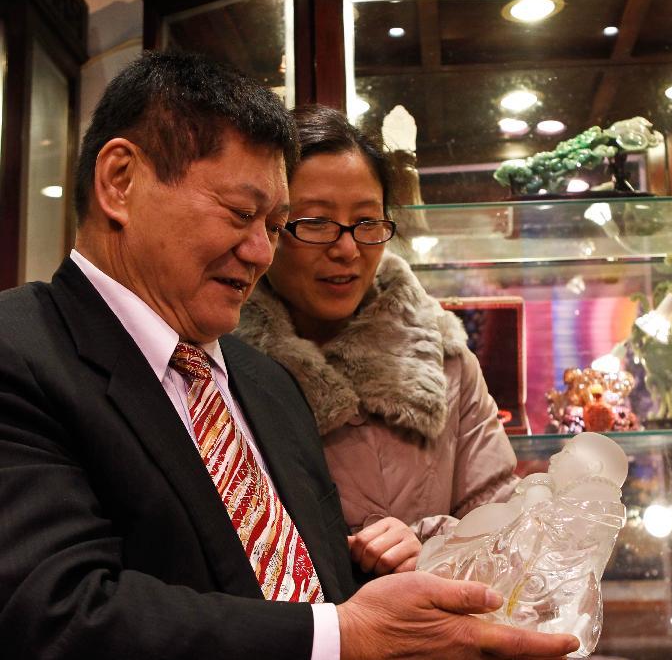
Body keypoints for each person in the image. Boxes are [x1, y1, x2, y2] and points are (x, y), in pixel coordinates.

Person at [0, 51, 578, 660]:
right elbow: (52, 613)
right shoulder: (22, 353)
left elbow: (316, 585)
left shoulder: (266, 383)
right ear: (121, 181)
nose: (259, 252)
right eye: (241, 214)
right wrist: (345, 634)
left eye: (275, 226)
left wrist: (393, 586)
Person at [235, 104, 520, 577]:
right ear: (270, 227)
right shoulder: (217, 367)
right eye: (315, 222)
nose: (347, 248)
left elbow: (506, 533)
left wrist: (428, 546)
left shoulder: (445, 363)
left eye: (367, 222)